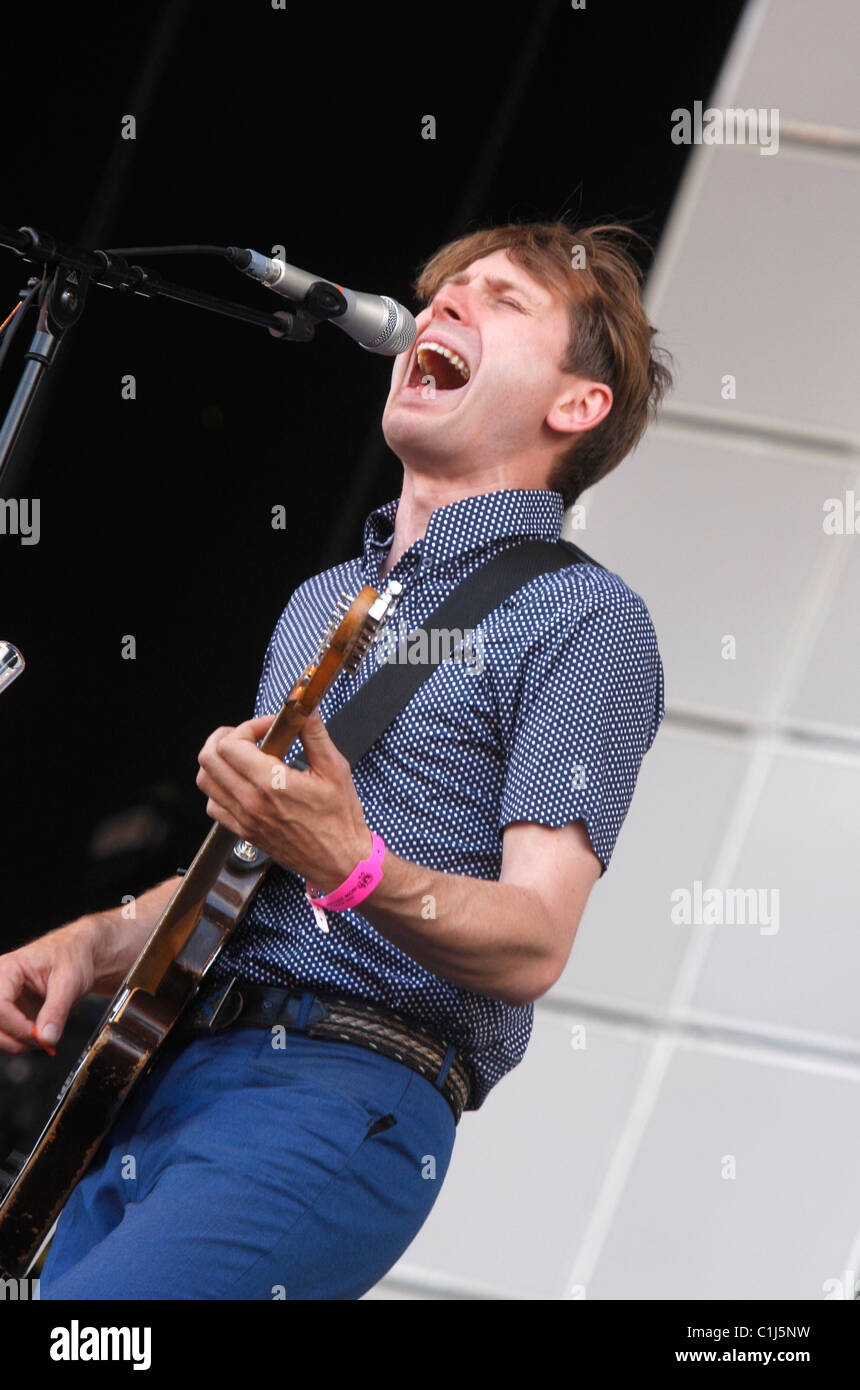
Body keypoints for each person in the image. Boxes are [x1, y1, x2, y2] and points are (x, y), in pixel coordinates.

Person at [0, 220, 671, 1299]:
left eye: (498, 300)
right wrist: (95, 939)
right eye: (441, 289)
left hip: (340, 1088)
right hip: (170, 1076)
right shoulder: (322, 601)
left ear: (575, 404)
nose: (443, 304)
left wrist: (351, 864)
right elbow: (251, 873)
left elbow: (533, 941)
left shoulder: (581, 618)